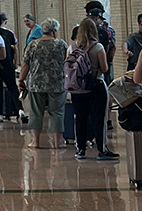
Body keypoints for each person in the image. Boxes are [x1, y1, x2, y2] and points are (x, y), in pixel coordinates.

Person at [68, 17, 117, 160]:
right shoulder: (98, 47)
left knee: (80, 118)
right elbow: (104, 68)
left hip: (77, 88)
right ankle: (102, 150)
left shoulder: (72, 47)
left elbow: (70, 67)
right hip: (95, 85)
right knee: (99, 118)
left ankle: (81, 149)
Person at [18, 18, 67, 149]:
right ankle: (58, 141)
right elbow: (68, 62)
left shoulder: (33, 45)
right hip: (57, 83)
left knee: (36, 112)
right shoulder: (61, 44)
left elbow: (25, 65)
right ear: (54, 31)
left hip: (36, 83)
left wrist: (21, 80)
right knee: (57, 112)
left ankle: (35, 141)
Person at [0, 14, 23, 123]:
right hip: (8, 63)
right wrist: (15, 62)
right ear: (2, 21)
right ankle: (20, 110)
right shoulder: (10, 33)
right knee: (12, 87)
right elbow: (15, 49)